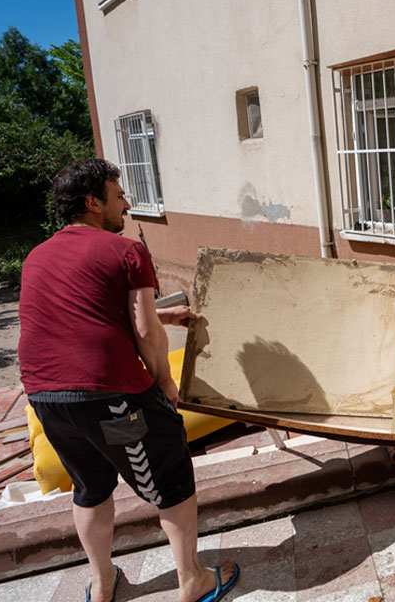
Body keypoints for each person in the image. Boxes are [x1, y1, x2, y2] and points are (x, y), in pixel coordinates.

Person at [18, 159, 238, 602]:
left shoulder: (37, 256)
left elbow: (86, 314)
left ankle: (102, 585)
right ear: (93, 203)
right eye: (118, 196)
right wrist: (163, 382)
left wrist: (162, 314)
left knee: (90, 486)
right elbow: (143, 331)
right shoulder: (126, 252)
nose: (127, 203)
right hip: (111, 399)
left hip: (49, 401)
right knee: (169, 475)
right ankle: (191, 581)